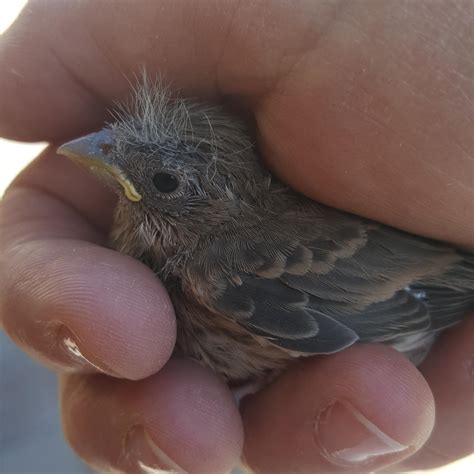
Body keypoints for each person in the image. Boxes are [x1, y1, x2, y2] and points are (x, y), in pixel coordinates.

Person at [0, 1, 472, 472]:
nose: (96, 150)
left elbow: (423, 301)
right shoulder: (171, 251)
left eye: (165, 183)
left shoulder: (230, 271)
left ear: (215, 209)